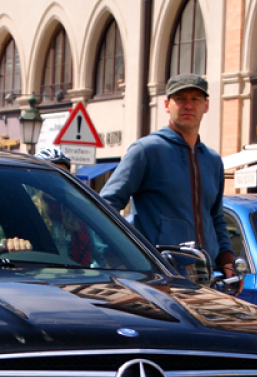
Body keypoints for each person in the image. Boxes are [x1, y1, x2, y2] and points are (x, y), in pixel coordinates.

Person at [99, 74, 234, 278]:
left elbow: (216, 217)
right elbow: (105, 205)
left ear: (206, 106)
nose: (188, 105)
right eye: (180, 99)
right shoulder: (146, 150)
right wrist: (115, 257)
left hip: (206, 276)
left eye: (195, 99)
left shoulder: (212, 160)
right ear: (166, 104)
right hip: (159, 274)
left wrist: (227, 261)